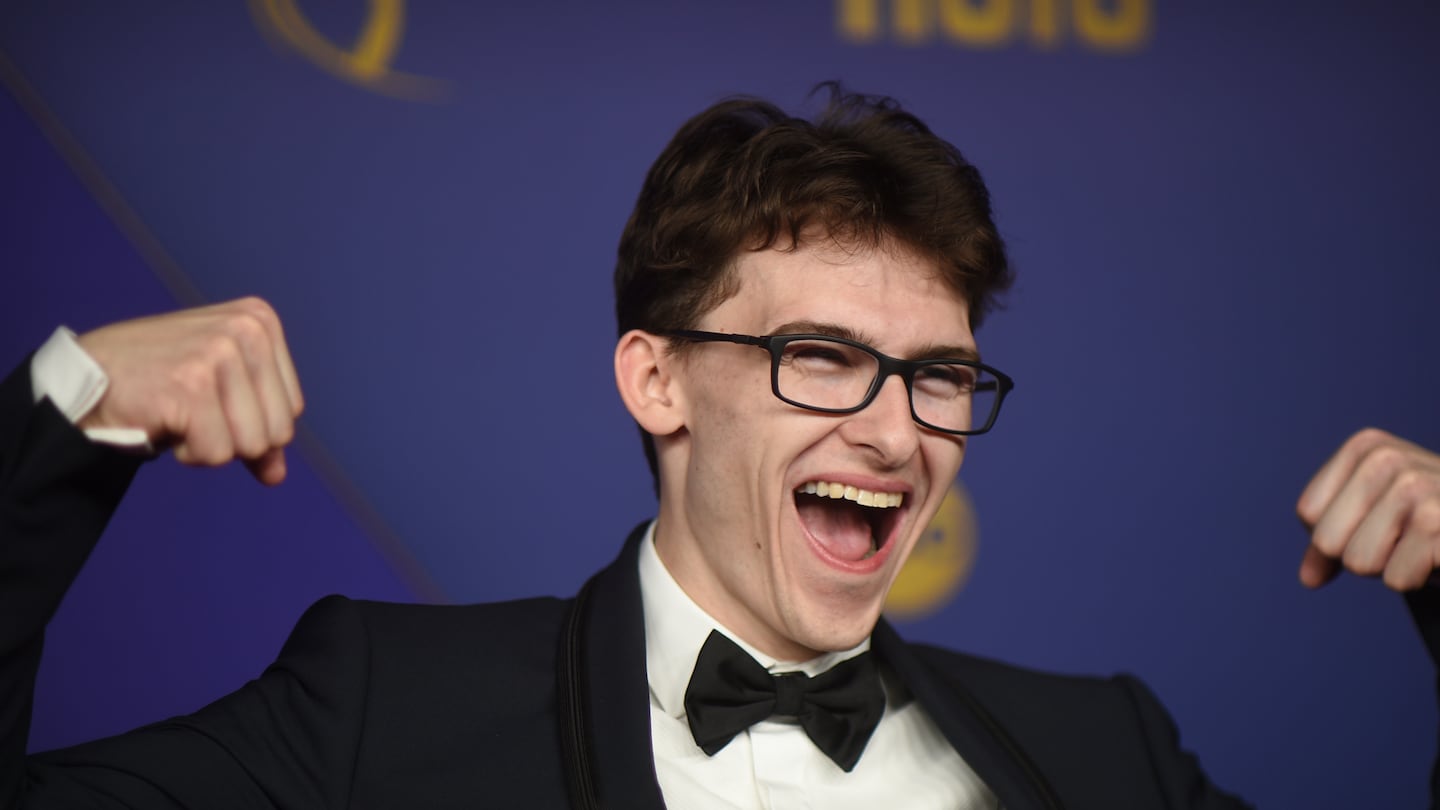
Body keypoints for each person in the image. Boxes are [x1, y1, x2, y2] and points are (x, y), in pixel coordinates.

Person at [3, 87, 1438, 809]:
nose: (893, 429)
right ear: (657, 379)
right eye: (821, 357)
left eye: (937, 373)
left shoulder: (1107, 752)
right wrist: (60, 415)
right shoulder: (382, 709)